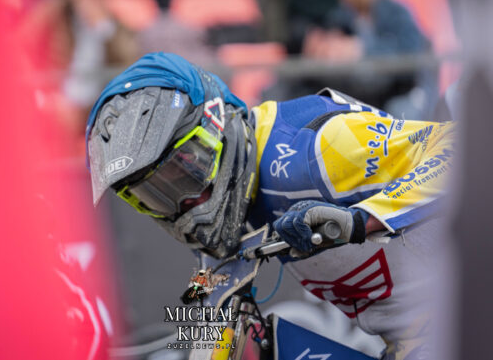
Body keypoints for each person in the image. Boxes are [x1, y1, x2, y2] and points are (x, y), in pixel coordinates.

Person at [86, 52, 455, 359]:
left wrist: (361, 219)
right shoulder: (225, 216)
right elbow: (208, 293)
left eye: (187, 171)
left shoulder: (316, 151)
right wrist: (192, 310)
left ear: (218, 124)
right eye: (156, 195)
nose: (188, 201)